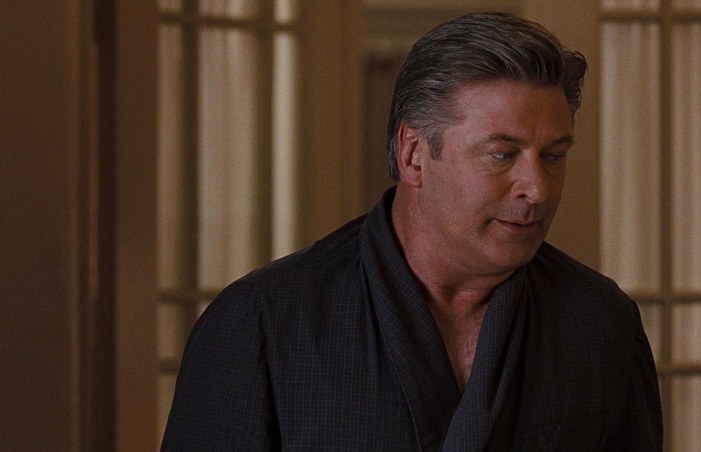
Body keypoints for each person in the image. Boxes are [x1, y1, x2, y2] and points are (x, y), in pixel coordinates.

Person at [162, 11, 662, 451]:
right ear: (414, 154)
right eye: (501, 154)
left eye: (553, 156)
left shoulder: (601, 322)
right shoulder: (263, 323)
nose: (537, 188)